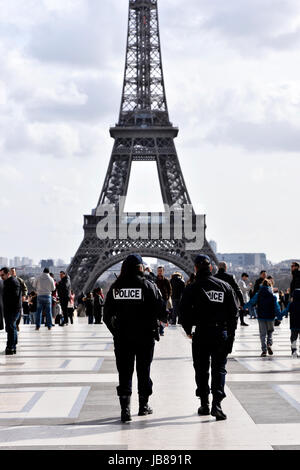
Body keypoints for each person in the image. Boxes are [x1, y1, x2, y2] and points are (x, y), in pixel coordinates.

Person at [104, 254, 165, 423]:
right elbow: (161, 311)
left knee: (125, 372)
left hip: (123, 336)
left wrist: (116, 331)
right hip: (145, 336)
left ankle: (125, 409)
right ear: (140, 268)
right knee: (143, 371)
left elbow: (106, 315)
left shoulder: (116, 287)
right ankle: (143, 406)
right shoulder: (149, 286)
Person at [180, 255, 238, 421]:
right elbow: (233, 314)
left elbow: (184, 312)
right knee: (219, 369)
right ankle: (217, 404)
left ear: (196, 269)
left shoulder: (192, 288)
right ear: (211, 268)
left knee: (201, 369)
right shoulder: (225, 286)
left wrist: (188, 329)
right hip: (220, 333)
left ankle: (204, 403)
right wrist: (231, 336)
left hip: (201, 333)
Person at [245, 279, 281, 357]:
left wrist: (244, 306)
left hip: (261, 316)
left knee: (262, 334)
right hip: (271, 317)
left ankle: (264, 351)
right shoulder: (273, 296)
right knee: (270, 332)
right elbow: (277, 307)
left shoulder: (258, 294)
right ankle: (269, 344)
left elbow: (251, 302)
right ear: (270, 286)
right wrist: (279, 316)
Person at [0, 267, 22, 354]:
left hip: (13, 309)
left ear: (8, 274)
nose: (1, 277)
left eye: (2, 275)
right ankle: (13, 346)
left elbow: (15, 297)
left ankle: (10, 347)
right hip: (9, 309)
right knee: (11, 327)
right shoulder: (7, 282)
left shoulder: (13, 282)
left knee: (11, 327)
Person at [155, 266, 172, 336]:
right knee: (156, 315)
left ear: (163, 271)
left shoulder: (166, 280)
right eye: (158, 271)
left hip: (164, 300)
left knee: (163, 316)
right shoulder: (155, 279)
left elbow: (170, 290)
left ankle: (161, 330)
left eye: (161, 271)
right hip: (156, 300)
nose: (159, 272)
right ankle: (156, 329)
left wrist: (167, 297)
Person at [10, 268, 28, 332]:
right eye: (11, 271)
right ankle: (13, 325)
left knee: (19, 313)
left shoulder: (19, 280)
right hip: (10, 300)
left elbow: (25, 288)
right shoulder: (7, 280)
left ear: (15, 272)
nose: (12, 273)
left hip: (18, 299)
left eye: (13, 271)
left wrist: (24, 295)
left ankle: (17, 324)